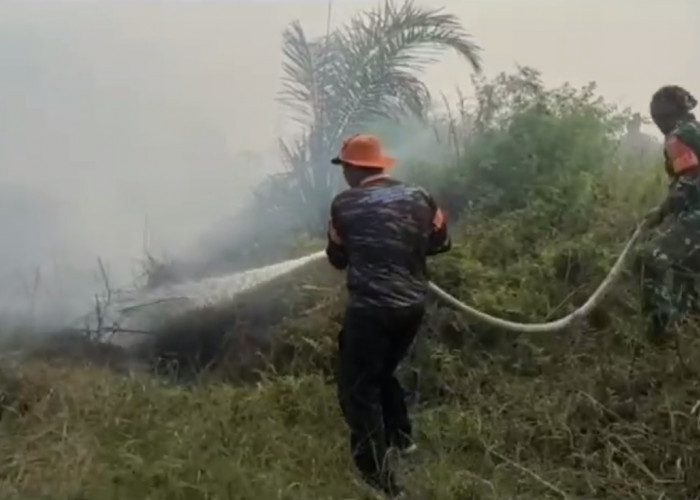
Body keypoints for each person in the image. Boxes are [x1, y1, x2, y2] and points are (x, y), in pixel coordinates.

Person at [324, 133, 451, 498]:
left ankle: (379, 482)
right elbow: (441, 242)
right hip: (411, 309)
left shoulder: (344, 205)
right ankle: (401, 437)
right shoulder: (419, 197)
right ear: (379, 165)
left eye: (344, 167)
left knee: (357, 390)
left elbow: (337, 257)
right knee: (380, 372)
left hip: (371, 311)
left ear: (352, 168)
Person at [636, 85, 700, 341]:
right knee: (687, 270)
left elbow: (689, 179)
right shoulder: (693, 131)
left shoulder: (678, 136)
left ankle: (661, 333)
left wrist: (661, 213)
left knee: (649, 258)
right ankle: (688, 333)